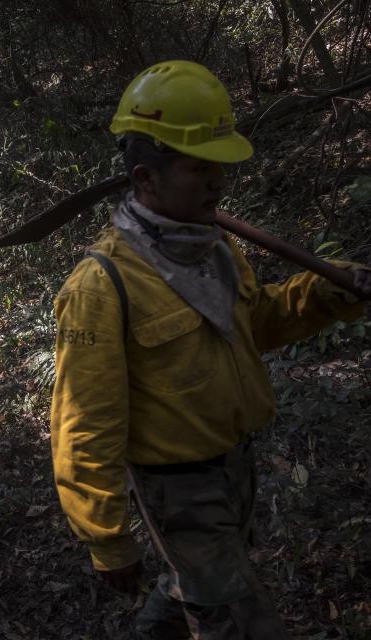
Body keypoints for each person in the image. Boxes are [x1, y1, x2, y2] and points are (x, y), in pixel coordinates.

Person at [49, 60, 371, 639]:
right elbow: (85, 425)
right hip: (178, 488)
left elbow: (256, 324)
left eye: (220, 168)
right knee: (236, 619)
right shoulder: (101, 285)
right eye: (202, 169)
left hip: (234, 465)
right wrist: (107, 537)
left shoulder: (214, 249)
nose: (220, 184)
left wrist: (324, 293)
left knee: (198, 583)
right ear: (146, 178)